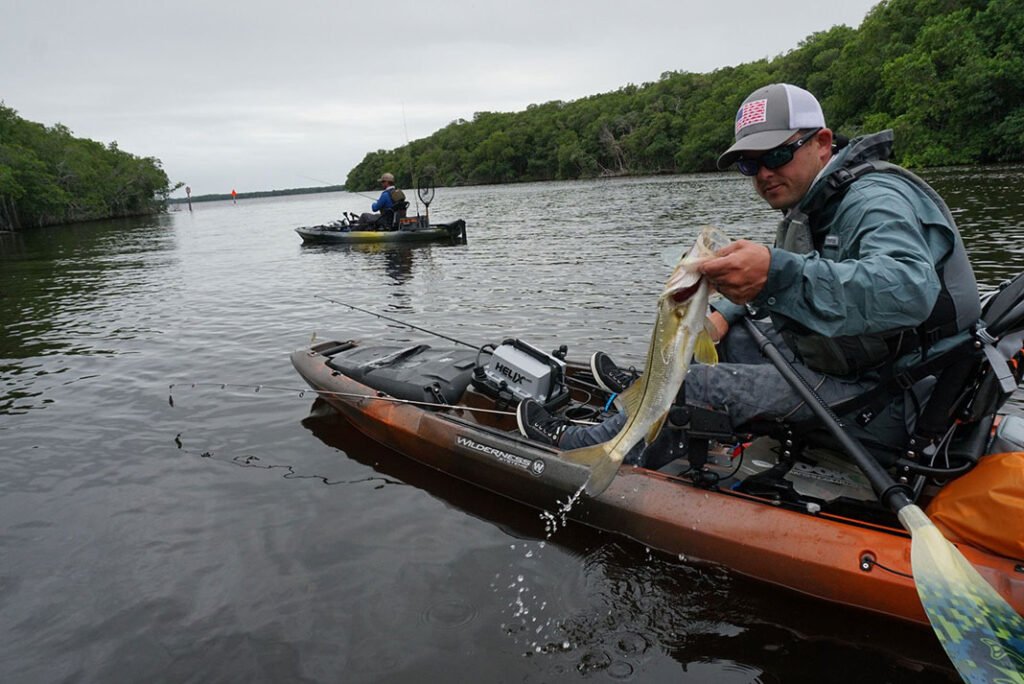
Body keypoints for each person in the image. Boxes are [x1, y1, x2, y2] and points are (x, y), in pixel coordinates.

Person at [517, 83, 980, 470]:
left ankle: (584, 449)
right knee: (712, 345)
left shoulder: (875, 200)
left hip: (892, 398)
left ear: (822, 142)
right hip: (855, 364)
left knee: (692, 383)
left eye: (777, 153)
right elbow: (797, 277)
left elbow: (906, 289)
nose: (763, 173)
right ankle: (639, 406)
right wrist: (721, 310)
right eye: (749, 163)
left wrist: (775, 273)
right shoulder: (818, 201)